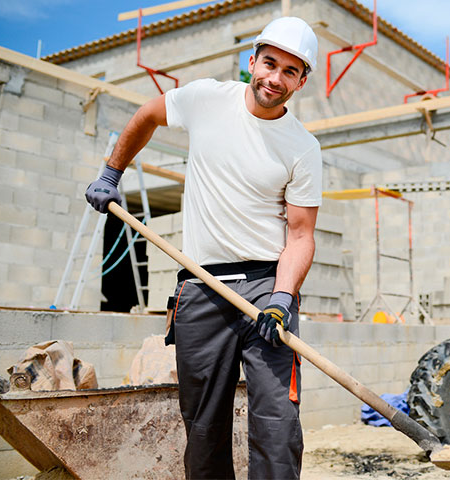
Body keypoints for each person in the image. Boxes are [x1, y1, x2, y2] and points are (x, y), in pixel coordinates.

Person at [84, 17, 322, 480]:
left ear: (302, 81)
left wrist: (282, 298)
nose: (275, 78)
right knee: (203, 426)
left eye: (290, 71)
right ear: (251, 60)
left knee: (277, 424)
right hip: (200, 286)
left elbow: (300, 236)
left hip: (267, 292)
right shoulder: (205, 99)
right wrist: (112, 174)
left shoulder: (302, 148)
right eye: (269, 63)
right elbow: (147, 115)